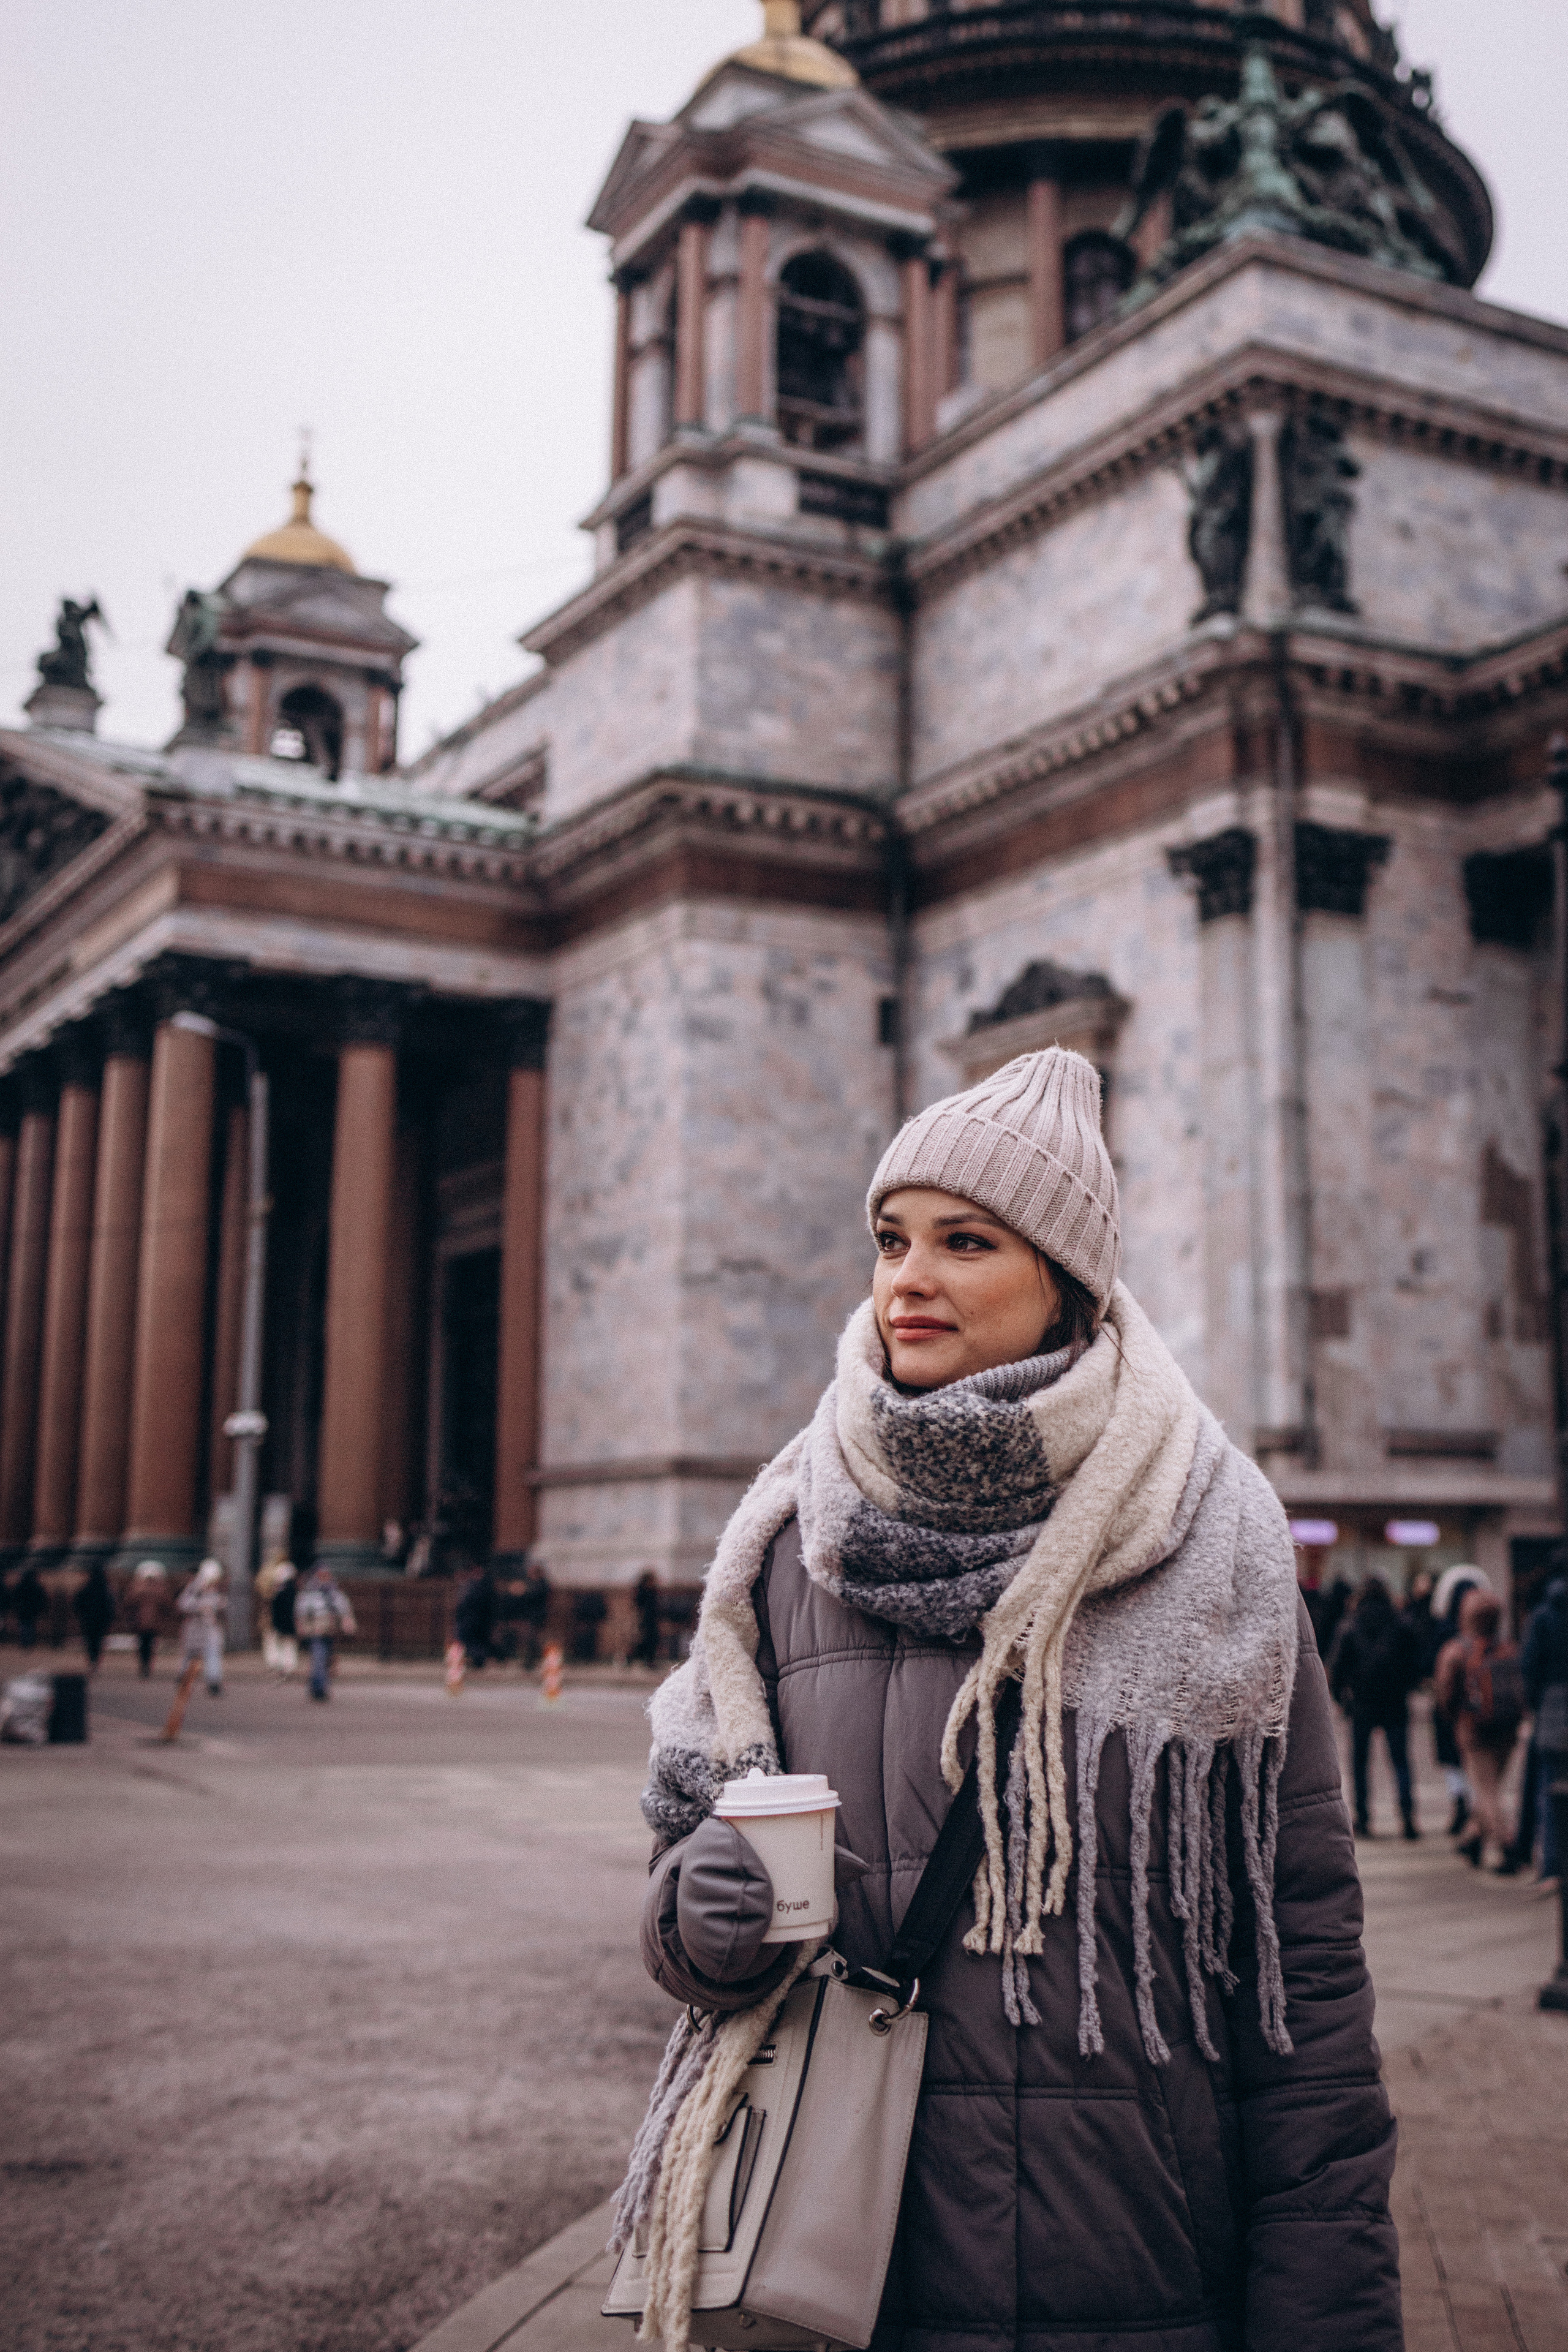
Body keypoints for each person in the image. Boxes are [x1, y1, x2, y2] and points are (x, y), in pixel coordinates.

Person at [627, 1049, 1400, 2350]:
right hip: (844, 2277)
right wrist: (703, 1911)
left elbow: (1301, 1969)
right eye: (889, 1240)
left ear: (1062, 1285)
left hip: (1131, 2272)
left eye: (965, 1241)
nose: (906, 1281)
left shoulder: (1212, 1545)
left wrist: (1327, 2310)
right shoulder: (787, 1541)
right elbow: (689, 1938)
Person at [1434, 1588, 1523, 1871]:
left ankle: (1506, 1845)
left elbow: (1446, 1693)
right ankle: (1472, 1836)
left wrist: (1454, 1718)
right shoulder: (1509, 1648)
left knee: (1486, 1791)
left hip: (1475, 1731)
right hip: (1508, 1730)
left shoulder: (1457, 1650)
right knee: (1490, 1788)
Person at [1329, 1576, 1420, 1839]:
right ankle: (1408, 1817)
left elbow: (1337, 1667)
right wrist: (1407, 1687)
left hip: (1362, 1702)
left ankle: (1364, 1818)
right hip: (1395, 1702)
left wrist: (1341, 1699)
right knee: (1401, 1761)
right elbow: (1414, 1662)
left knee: (1359, 1763)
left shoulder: (1351, 1624)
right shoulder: (1401, 1623)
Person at [1430, 1562, 1490, 1836]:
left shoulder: (1444, 1632)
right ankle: (1476, 1818)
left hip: (1453, 1706)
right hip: (1480, 1704)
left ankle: (1465, 1811)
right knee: (1478, 1766)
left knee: (1456, 1761)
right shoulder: (1489, 1629)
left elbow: (1433, 1666)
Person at [1522, 1573, 1568, 1882]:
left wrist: (1534, 1702)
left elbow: (1529, 1665)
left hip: (1553, 1709)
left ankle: (1552, 1865)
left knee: (1550, 1789)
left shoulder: (1544, 1616)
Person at [294, 1564, 356, 1700]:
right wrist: (301, 1627)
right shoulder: (310, 1592)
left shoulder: (334, 1592)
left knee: (327, 1660)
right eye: (321, 1575)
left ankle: (316, 1684)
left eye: (326, 1575)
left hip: (330, 1630)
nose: (324, 1578)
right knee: (319, 1657)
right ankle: (319, 1688)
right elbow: (301, 1611)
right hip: (316, 1630)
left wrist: (347, 1623)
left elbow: (343, 1608)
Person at [177, 1559, 228, 1696]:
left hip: (210, 1626)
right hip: (195, 1626)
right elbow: (183, 1604)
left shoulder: (214, 1588)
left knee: (213, 1653)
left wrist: (219, 1605)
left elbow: (219, 1602)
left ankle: (214, 1683)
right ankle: (183, 1679)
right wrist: (199, 1607)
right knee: (191, 1654)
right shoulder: (195, 1588)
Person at [256, 1556, 299, 1677]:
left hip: (282, 1622)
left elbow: (276, 1608)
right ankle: (287, 1666)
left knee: (283, 1644)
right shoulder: (292, 1590)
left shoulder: (280, 1592)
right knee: (287, 1644)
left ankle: (283, 1665)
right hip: (287, 1622)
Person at [73, 1561, 116, 1669]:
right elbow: (110, 1605)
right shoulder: (106, 1589)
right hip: (101, 1620)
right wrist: (110, 1618)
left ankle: (92, 1659)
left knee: (90, 1640)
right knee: (98, 1641)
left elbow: (77, 1602)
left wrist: (81, 1614)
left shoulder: (86, 1587)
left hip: (88, 1619)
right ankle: (95, 1659)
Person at [128, 1561, 167, 1677]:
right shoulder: (144, 1589)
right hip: (143, 1622)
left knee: (147, 1646)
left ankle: (146, 1666)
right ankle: (145, 1666)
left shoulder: (143, 1589)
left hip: (148, 1623)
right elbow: (130, 1602)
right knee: (145, 1646)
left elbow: (166, 1604)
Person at [454, 1567, 497, 1668]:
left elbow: (464, 1605)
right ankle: (477, 1660)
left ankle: (475, 1660)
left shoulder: (473, 1587)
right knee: (477, 1641)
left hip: (471, 1619)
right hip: (480, 1619)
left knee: (469, 1641)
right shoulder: (486, 1586)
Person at [631, 1569, 662, 1668]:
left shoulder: (653, 1591)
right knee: (644, 1640)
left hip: (653, 1619)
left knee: (652, 1640)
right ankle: (640, 1660)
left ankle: (650, 1661)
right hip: (645, 1620)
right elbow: (638, 1606)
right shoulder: (642, 1592)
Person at [12, 1564, 47, 1650]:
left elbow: (15, 1597)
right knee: (30, 1625)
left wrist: (15, 1607)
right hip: (31, 1609)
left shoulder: (20, 1585)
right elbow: (42, 1598)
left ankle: (25, 1642)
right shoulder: (36, 1586)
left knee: (24, 1625)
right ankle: (29, 1642)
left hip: (23, 1609)